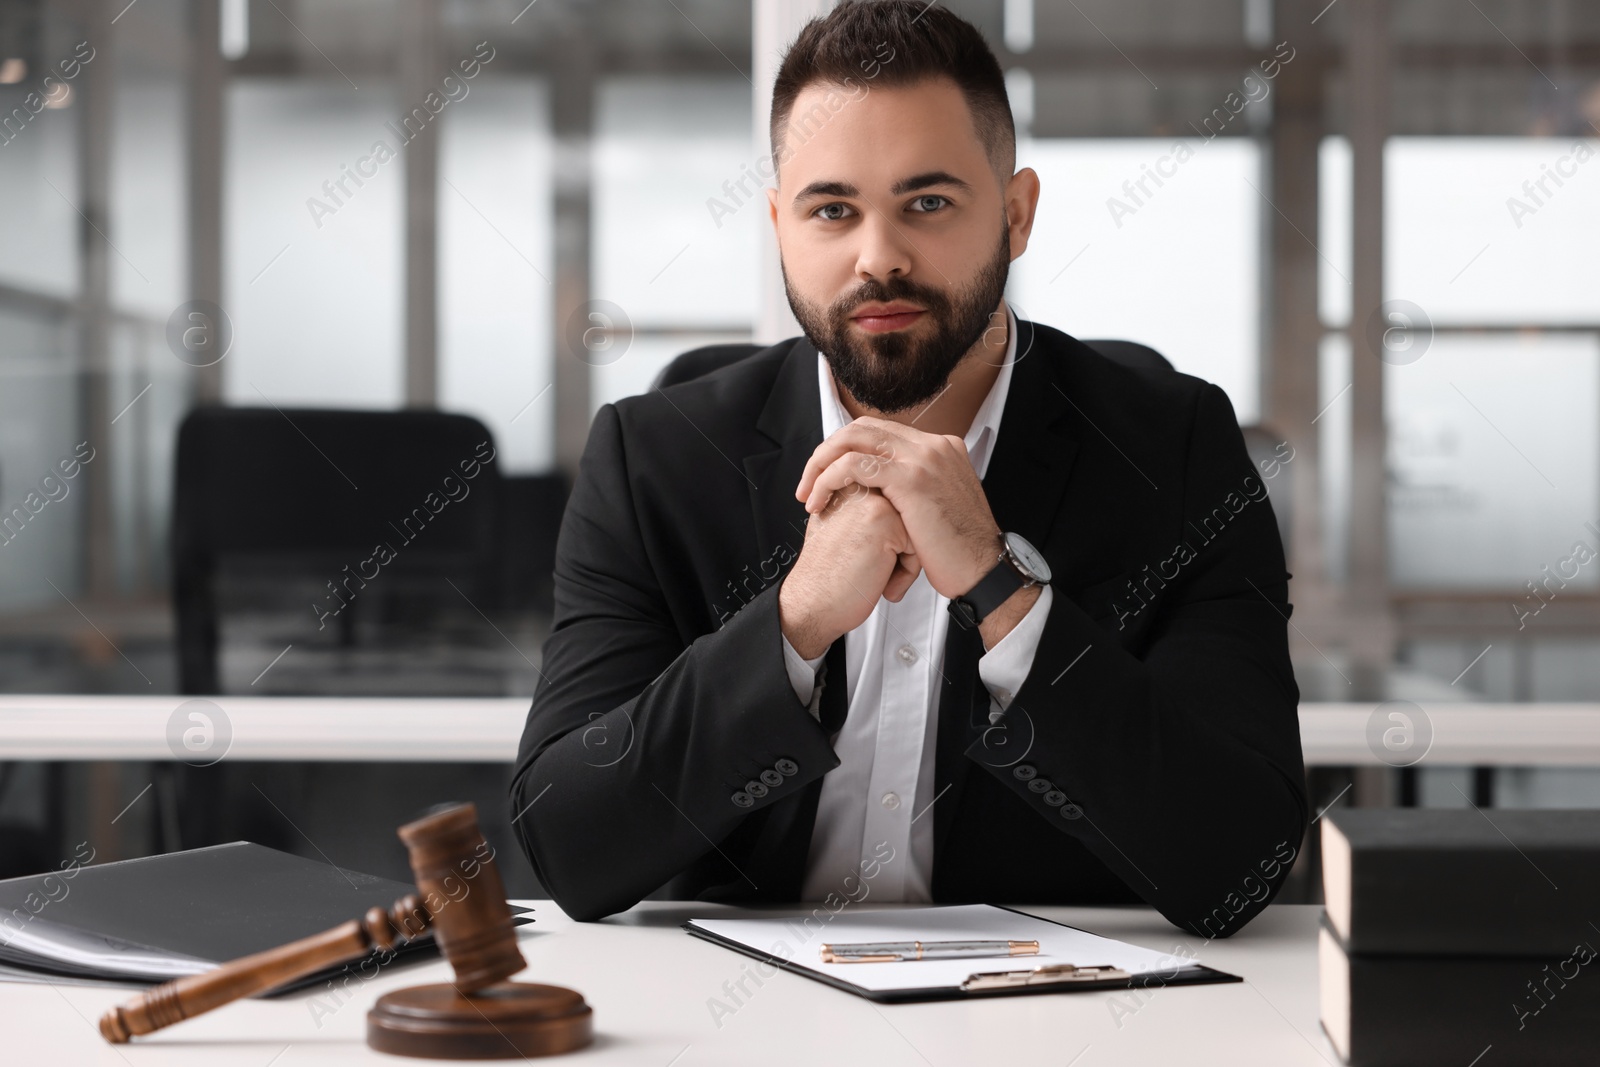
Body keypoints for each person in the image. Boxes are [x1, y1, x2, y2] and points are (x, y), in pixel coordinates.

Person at [510, 0, 1306, 935]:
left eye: (927, 203)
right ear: (779, 224)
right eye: (832, 209)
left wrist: (1000, 588)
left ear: (1015, 214)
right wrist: (797, 622)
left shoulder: (1177, 451)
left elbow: (1240, 864)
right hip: (730, 1011)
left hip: (1054, 1015)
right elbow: (567, 841)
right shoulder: (652, 461)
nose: (878, 256)